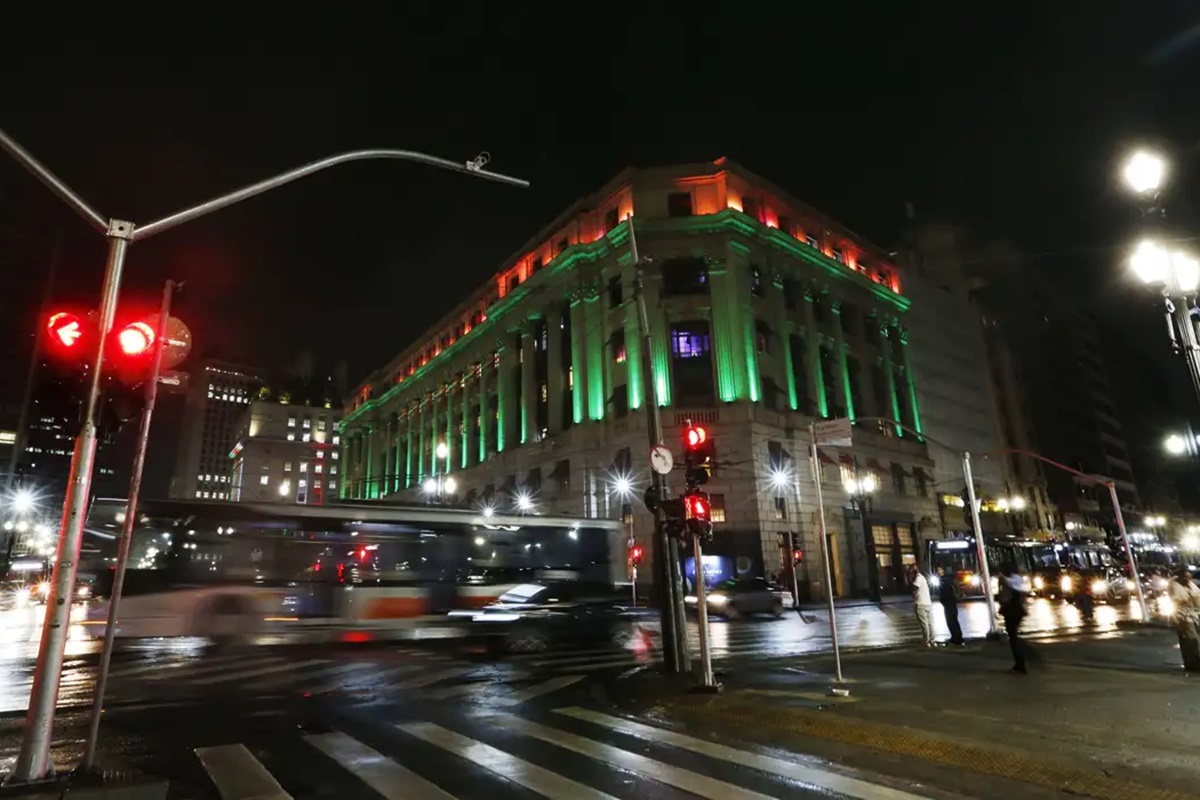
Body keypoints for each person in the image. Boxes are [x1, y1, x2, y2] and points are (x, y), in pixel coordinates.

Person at [1168, 566, 1200, 673]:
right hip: (1183, 616)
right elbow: (1178, 599)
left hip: (1193, 615)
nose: (1189, 577)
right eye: (1187, 575)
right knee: (1190, 640)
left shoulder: (1190, 584)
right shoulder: (1175, 585)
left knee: (1190, 641)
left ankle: (1193, 663)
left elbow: (1197, 596)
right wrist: (1190, 599)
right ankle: (1193, 664)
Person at [998, 561, 1028, 674]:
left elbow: (1012, 585)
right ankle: (1018, 663)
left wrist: (1002, 579)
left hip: (1013, 610)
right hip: (1011, 610)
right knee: (1012, 637)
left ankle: (1020, 665)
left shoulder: (1014, 579)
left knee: (1014, 637)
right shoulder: (1011, 579)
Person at [936, 566, 964, 645]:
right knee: (954, 620)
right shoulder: (950, 578)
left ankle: (955, 638)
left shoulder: (943, 580)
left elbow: (944, 593)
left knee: (950, 621)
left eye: (939, 570)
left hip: (948, 603)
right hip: (953, 602)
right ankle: (958, 636)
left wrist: (942, 600)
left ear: (943, 571)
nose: (937, 572)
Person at [908, 564, 933, 647]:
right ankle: (931, 639)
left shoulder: (918, 577)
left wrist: (909, 580)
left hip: (921, 603)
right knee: (929, 623)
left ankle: (926, 641)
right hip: (927, 602)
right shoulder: (922, 577)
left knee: (924, 624)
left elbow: (915, 587)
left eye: (911, 570)